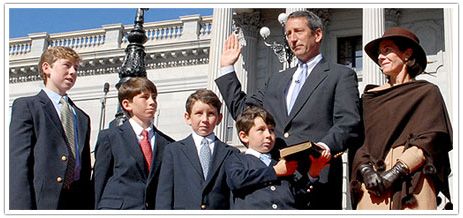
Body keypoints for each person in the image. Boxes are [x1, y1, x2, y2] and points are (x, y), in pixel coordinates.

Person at [216, 10, 361, 209]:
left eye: (298, 31)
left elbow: (348, 122)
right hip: (279, 185)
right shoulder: (277, 80)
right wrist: (226, 69)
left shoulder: (340, 75)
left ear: (317, 34)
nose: (292, 39)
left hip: (318, 180)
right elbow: (245, 114)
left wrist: (323, 148)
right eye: (288, 34)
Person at [350, 27, 453, 210]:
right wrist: (366, 171)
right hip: (374, 188)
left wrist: (396, 171)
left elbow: (432, 139)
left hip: (414, 182)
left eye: (387, 50)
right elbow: (358, 141)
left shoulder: (426, 93)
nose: (380, 57)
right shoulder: (369, 98)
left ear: (406, 54)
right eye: (379, 53)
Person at [9, 46, 93, 210]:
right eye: (67, 65)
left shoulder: (82, 117)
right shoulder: (28, 106)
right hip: (41, 200)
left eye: (76, 68)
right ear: (47, 68)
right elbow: (18, 163)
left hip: (75, 202)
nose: (73, 72)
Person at [225, 106, 330, 209]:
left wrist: (312, 173)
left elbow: (297, 198)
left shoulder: (281, 162)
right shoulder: (237, 159)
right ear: (244, 136)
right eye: (261, 130)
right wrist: (275, 171)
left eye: (271, 130)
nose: (268, 135)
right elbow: (237, 180)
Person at [93, 77, 174, 209]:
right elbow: (99, 183)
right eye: (145, 97)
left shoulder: (168, 144)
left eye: (154, 97)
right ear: (127, 104)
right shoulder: (110, 138)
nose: (152, 102)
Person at [155, 89, 239, 210]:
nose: (204, 119)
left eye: (210, 114)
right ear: (188, 117)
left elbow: (233, 197)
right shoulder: (173, 151)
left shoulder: (230, 153)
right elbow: (164, 194)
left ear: (219, 119)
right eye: (199, 113)